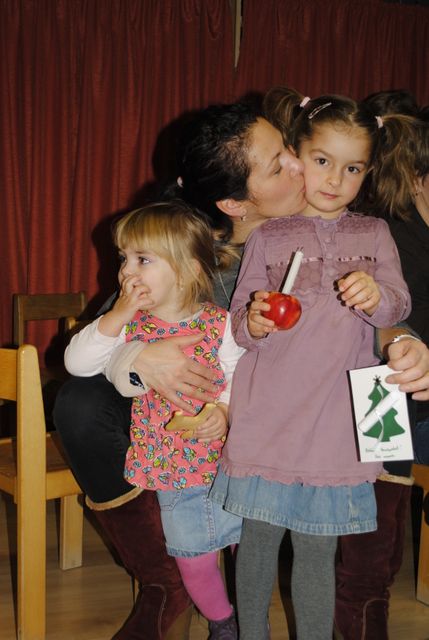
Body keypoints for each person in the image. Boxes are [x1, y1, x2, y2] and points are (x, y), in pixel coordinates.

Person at [53, 100, 429, 640]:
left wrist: (405, 342)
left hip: (323, 398)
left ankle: (363, 601)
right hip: (228, 409)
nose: (300, 165)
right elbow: (112, 330)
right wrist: (132, 357)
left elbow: (382, 313)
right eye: (279, 165)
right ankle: (168, 586)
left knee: (386, 394)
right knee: (77, 403)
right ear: (235, 203)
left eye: (290, 148)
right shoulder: (183, 247)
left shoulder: (356, 227)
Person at [210, 89, 412, 640]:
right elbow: (239, 323)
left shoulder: (375, 234)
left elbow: (398, 305)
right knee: (256, 544)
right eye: (322, 160)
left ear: (367, 172)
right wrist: (255, 322)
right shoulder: (268, 234)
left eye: (352, 168)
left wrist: (379, 297)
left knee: (318, 549)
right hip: (268, 417)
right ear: (298, 154)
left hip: (335, 424)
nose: (334, 179)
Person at [63, 202, 244, 638]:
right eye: (124, 258)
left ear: (188, 270)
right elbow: (76, 363)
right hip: (171, 468)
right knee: (191, 556)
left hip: (229, 464)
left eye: (143, 259)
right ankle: (222, 621)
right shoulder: (130, 328)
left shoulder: (221, 324)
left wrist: (223, 410)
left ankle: (251, 617)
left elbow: (239, 374)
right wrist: (116, 317)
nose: (127, 270)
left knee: (246, 547)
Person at [335, 98, 429, 640]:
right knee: (384, 391)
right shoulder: (386, 236)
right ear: (416, 180)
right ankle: (363, 604)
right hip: (389, 394)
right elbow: (378, 331)